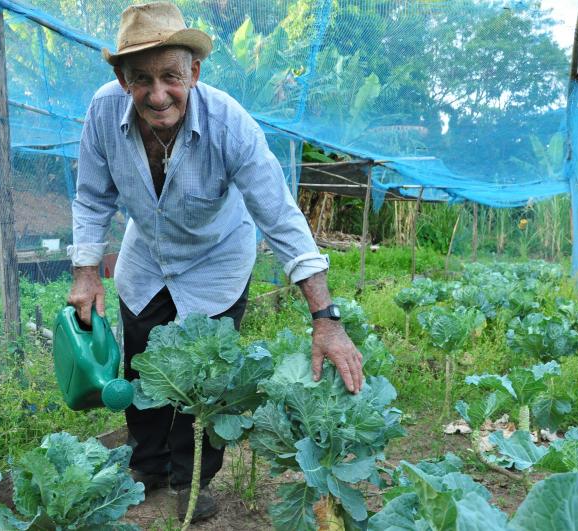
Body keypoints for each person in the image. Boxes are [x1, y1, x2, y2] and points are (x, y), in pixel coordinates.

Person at [66, 2, 363, 522]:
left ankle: (190, 477)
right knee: (143, 366)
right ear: (120, 79)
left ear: (194, 73)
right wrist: (86, 272)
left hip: (216, 259)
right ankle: (148, 464)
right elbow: (92, 197)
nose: (158, 94)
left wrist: (326, 318)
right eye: (141, 79)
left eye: (171, 77)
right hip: (147, 257)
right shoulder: (100, 115)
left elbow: (279, 216)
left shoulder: (230, 125)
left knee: (205, 377)